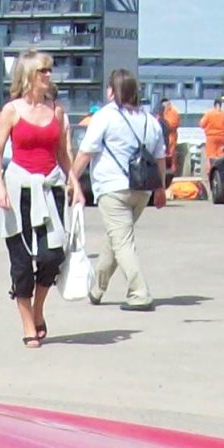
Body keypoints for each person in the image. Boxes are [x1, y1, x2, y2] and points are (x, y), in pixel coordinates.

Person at [0, 52, 74, 347]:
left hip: (50, 188)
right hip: (18, 189)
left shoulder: (57, 111)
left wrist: (74, 182)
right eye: (42, 71)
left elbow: (62, 154)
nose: (49, 75)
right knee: (22, 263)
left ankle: (38, 309)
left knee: (52, 256)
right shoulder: (11, 110)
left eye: (50, 70)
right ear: (28, 75)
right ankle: (27, 321)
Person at [68, 68, 167, 310]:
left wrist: (71, 180)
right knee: (116, 238)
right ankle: (97, 288)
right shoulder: (150, 120)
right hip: (142, 190)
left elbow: (86, 152)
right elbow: (160, 158)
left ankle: (139, 292)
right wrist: (161, 188)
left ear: (113, 91)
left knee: (122, 242)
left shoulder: (105, 116)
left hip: (112, 188)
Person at [199, 92, 224, 170]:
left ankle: (210, 171)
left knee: (210, 155)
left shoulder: (209, 113)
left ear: (214, 105)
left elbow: (202, 124)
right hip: (222, 137)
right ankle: (219, 170)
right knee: (220, 155)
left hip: (211, 138)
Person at [156, 94, 182, 180]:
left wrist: (164, 124)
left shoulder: (173, 112)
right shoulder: (162, 112)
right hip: (163, 136)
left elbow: (173, 124)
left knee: (171, 154)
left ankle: (172, 173)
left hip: (171, 137)